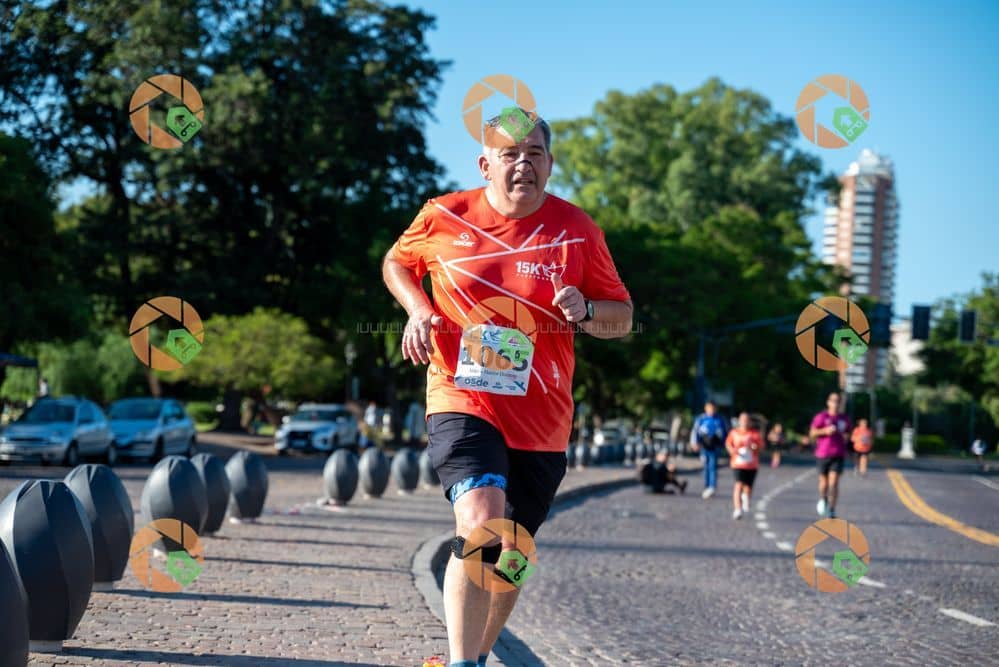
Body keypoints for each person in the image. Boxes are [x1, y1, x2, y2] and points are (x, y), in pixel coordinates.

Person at [382, 109, 633, 667]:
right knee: (480, 523)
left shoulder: (578, 230)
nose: (524, 164)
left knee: (512, 555)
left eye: (535, 154)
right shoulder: (445, 214)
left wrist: (588, 310)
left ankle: (476, 655)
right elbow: (397, 262)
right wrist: (418, 309)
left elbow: (622, 317)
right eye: (510, 155)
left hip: (542, 419)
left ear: (550, 163)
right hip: (461, 396)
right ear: (485, 164)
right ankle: (461, 663)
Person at [808, 392, 851, 518]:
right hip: (823, 453)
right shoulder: (821, 417)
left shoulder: (844, 419)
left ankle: (832, 509)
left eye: (837, 401)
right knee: (824, 483)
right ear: (828, 402)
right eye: (833, 400)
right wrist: (825, 431)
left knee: (834, 482)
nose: (835, 403)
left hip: (838, 454)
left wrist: (845, 436)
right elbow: (812, 433)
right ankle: (823, 498)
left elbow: (849, 435)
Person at [725, 412, 763, 519]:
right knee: (738, 484)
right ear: (739, 421)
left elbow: (760, 447)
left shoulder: (754, 434)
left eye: (747, 420)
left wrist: (754, 448)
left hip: (751, 465)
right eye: (742, 420)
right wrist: (732, 450)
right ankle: (737, 509)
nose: (744, 422)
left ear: (750, 422)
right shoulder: (734, 432)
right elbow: (728, 444)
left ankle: (746, 497)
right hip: (737, 464)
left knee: (748, 488)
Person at [690, 401, 728, 499]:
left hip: (715, 446)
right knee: (706, 465)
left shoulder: (720, 419)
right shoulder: (701, 419)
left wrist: (725, 444)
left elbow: (725, 433)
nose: (711, 410)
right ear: (706, 408)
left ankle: (712, 486)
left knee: (713, 466)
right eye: (709, 408)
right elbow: (695, 431)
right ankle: (706, 486)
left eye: (713, 408)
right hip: (704, 446)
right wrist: (694, 443)